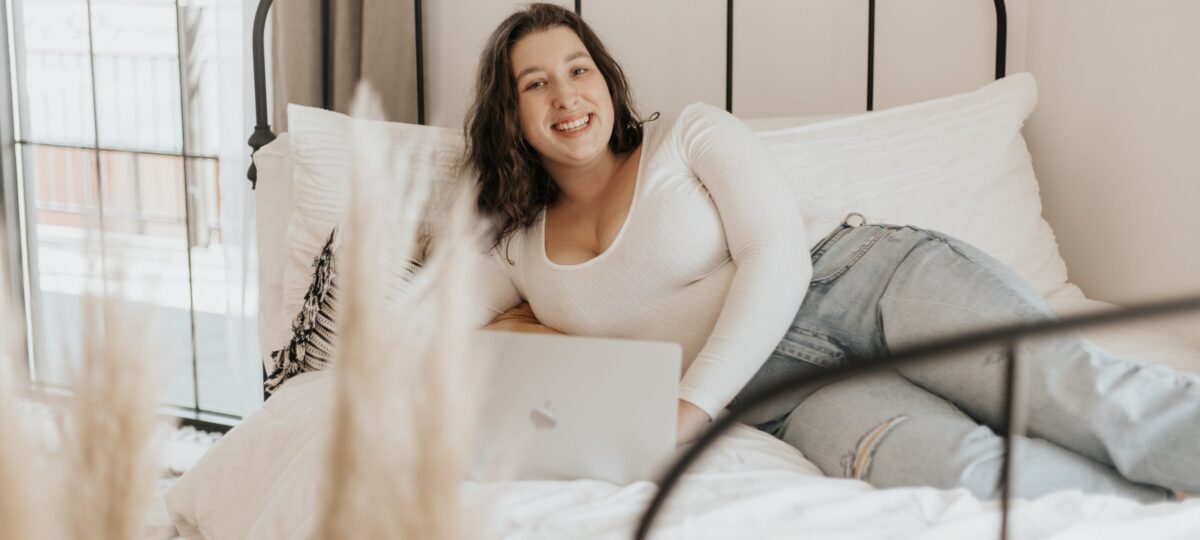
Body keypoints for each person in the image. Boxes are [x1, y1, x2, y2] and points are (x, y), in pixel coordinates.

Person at [465, 3, 1199, 502]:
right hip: (785, 398)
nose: (566, 95)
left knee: (1076, 391)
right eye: (536, 82)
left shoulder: (688, 134)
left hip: (866, 281)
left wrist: (689, 408)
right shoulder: (514, 249)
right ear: (512, 113)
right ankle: (1162, 509)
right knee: (957, 468)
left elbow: (776, 258)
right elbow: (410, 320)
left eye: (578, 68)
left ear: (606, 79)